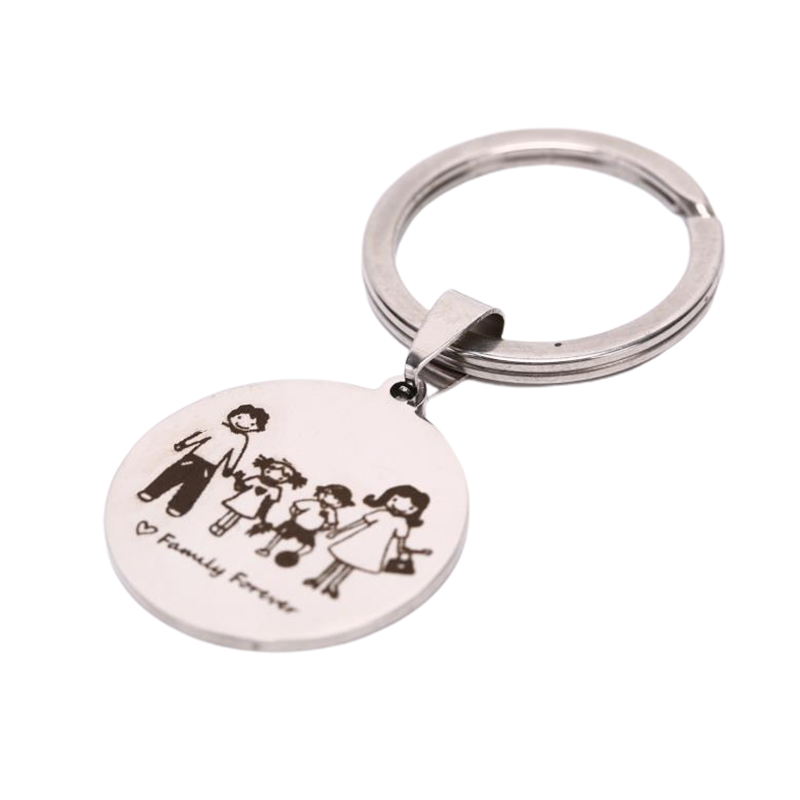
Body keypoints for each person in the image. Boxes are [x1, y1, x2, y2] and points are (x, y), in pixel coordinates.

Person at [137, 404, 269, 517]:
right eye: (240, 417)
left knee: (194, 487)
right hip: (193, 458)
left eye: (252, 424)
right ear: (234, 415)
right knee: (172, 475)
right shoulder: (219, 428)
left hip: (209, 466)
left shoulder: (241, 439)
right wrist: (184, 444)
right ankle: (151, 492)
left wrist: (229, 468)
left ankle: (178, 506)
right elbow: (200, 436)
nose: (243, 423)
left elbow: (236, 454)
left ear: (256, 428)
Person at [304, 485, 430, 598]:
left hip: (373, 548)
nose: (397, 505)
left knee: (350, 566)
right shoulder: (382, 513)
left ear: (414, 510)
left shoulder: (402, 524)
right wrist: (339, 531)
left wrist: (415, 552)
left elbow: (400, 545)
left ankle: (333, 584)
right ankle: (319, 580)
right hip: (358, 540)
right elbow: (360, 523)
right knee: (340, 562)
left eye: (410, 507)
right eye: (395, 499)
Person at [255, 484, 354, 564]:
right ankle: (267, 549)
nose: (338, 504)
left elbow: (332, 524)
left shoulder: (331, 512)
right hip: (295, 525)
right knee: (280, 534)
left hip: (310, 531)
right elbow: (296, 506)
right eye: (337, 500)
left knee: (309, 546)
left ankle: (295, 555)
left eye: (340, 502)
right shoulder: (312, 503)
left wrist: (330, 530)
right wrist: (294, 514)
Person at [209, 456, 307, 536]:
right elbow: (240, 487)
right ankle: (218, 525)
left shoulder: (275, 490)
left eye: (282, 477)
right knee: (232, 514)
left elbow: (268, 504)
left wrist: (263, 516)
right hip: (243, 500)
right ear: (266, 469)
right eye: (269, 470)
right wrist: (238, 479)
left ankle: (222, 528)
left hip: (252, 506)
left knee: (235, 517)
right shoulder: (256, 480)